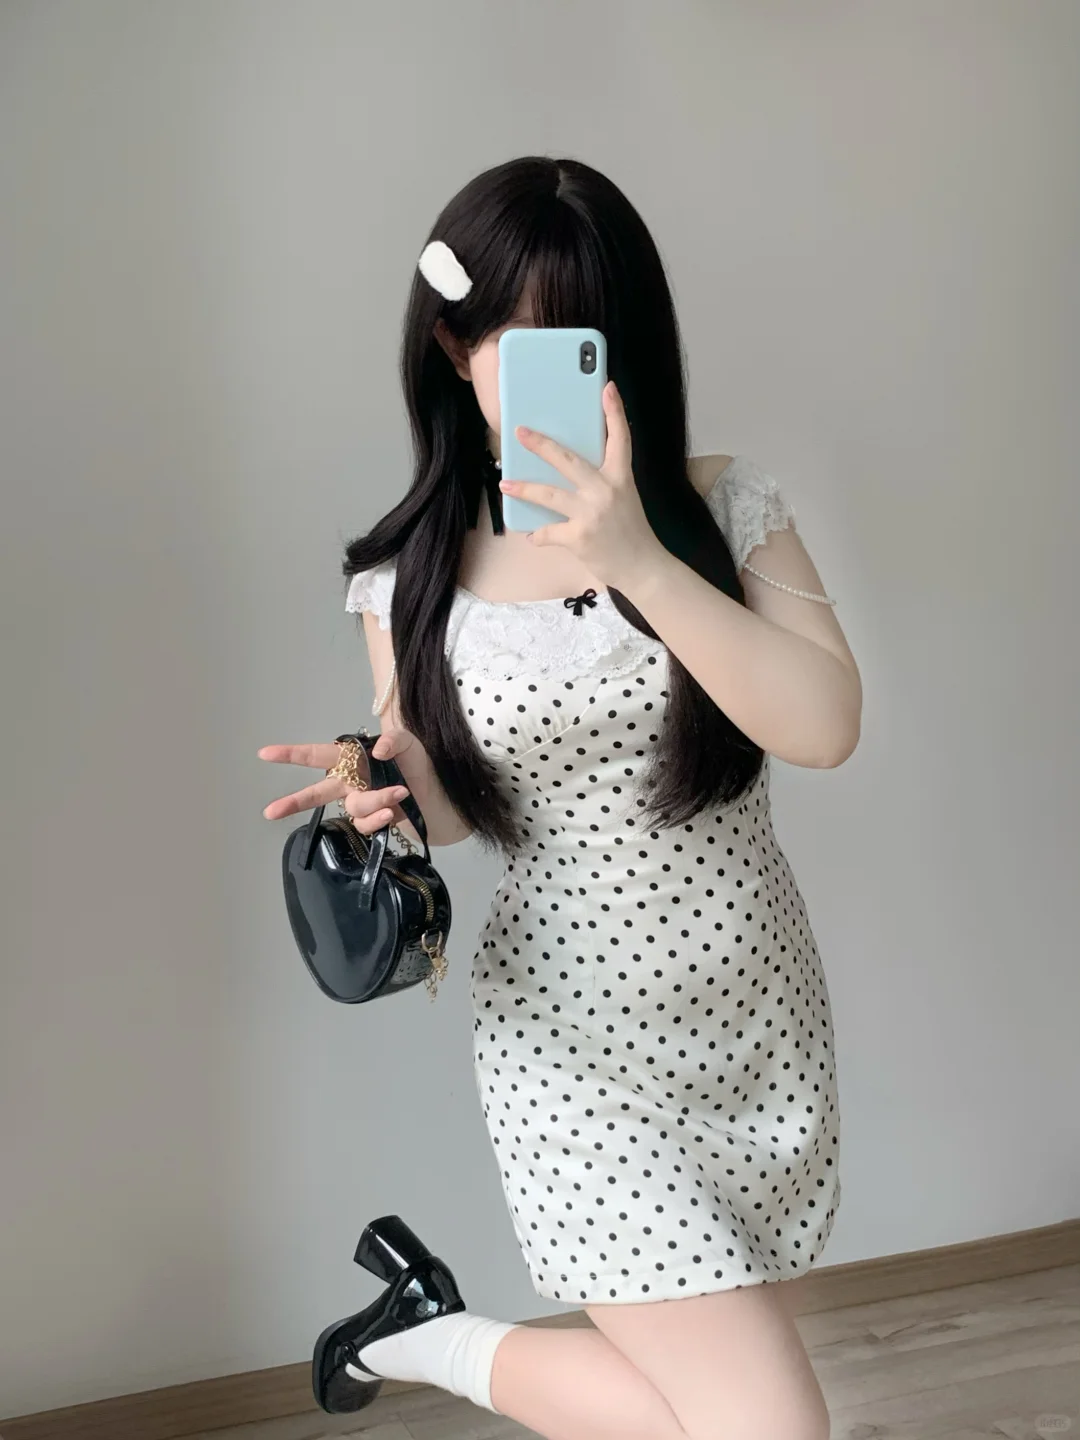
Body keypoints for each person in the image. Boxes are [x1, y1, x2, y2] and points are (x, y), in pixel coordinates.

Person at [259, 155, 861, 1440]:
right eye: (522, 344)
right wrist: (380, 789)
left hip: (753, 1018)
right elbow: (453, 799)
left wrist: (638, 557)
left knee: (702, 1414)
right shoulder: (411, 577)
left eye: (589, 343)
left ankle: (416, 1327)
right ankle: (431, 1334)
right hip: (573, 1050)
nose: (562, 377)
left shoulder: (722, 506)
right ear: (454, 347)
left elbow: (824, 726)